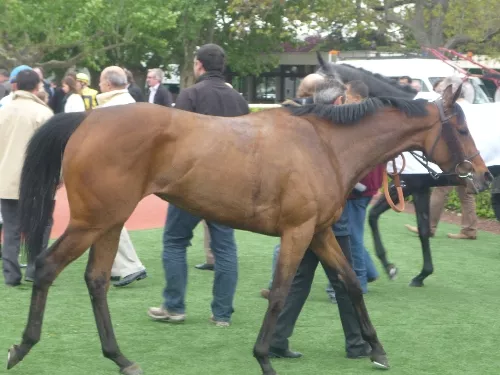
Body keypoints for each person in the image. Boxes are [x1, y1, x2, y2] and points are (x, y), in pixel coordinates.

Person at [266, 76, 371, 360]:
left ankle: (277, 338)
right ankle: (357, 343)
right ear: (338, 102)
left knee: (301, 278)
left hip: (310, 215)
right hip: (331, 216)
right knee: (344, 279)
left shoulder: (307, 127)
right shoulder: (336, 133)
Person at [148, 43, 249, 327]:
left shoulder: (190, 95)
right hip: (229, 185)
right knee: (225, 247)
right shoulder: (238, 100)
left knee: (175, 242)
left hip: (192, 186)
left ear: (199, 65)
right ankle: (222, 314)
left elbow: (178, 142)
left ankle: (174, 307)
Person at [94, 66, 148, 287]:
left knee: (106, 216)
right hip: (128, 170)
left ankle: (129, 266)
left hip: (115, 170)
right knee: (103, 216)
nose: (98, 85)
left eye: (100, 81)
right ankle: (115, 266)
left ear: (107, 84)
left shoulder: (110, 108)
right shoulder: (131, 104)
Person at [405, 77, 478, 240]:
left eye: (444, 89)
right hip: (469, 155)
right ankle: (469, 229)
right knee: (465, 191)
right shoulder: (468, 106)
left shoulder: (455, 109)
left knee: (442, 188)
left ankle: (429, 227)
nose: (441, 93)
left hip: (458, 157)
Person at [0, 68, 54, 286]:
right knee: (40, 226)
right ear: (37, 86)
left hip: (6, 179)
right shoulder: (44, 113)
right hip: (37, 181)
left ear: (15, 85)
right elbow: (53, 151)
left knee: (11, 228)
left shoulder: (3, 110)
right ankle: (35, 268)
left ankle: (11, 274)